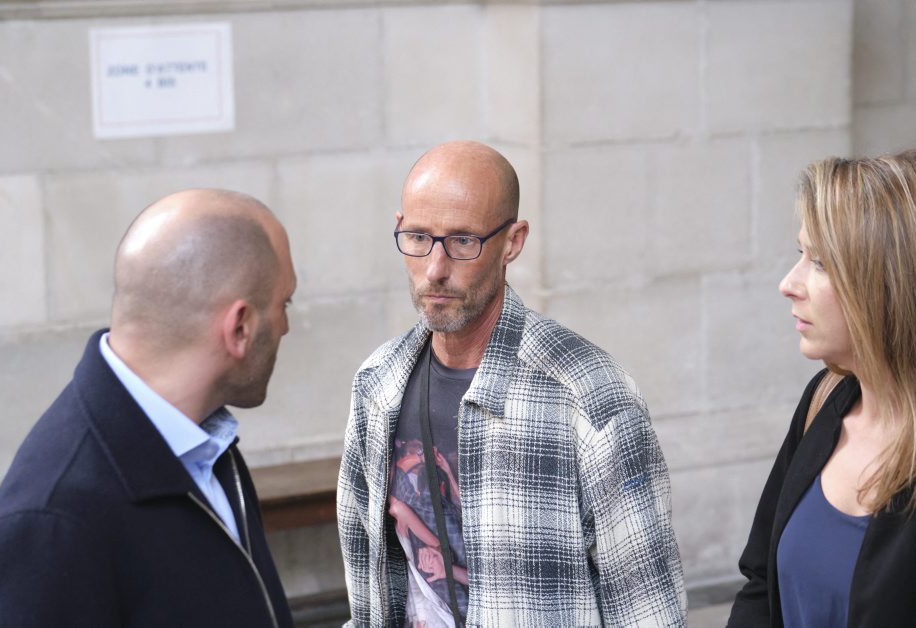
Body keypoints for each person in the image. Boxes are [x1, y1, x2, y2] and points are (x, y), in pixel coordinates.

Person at [337, 140, 686, 626]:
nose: (435, 269)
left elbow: (649, 612)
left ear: (513, 242)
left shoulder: (590, 398)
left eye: (464, 241)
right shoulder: (378, 384)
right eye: (418, 237)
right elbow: (367, 599)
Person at [0, 189, 297, 627]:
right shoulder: (48, 526)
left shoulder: (205, 445)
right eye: (283, 304)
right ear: (239, 327)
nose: (286, 326)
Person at [728, 150, 916, 627]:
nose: (788, 284)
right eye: (801, 254)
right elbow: (761, 584)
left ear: (887, 282)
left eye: (821, 262)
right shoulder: (826, 398)